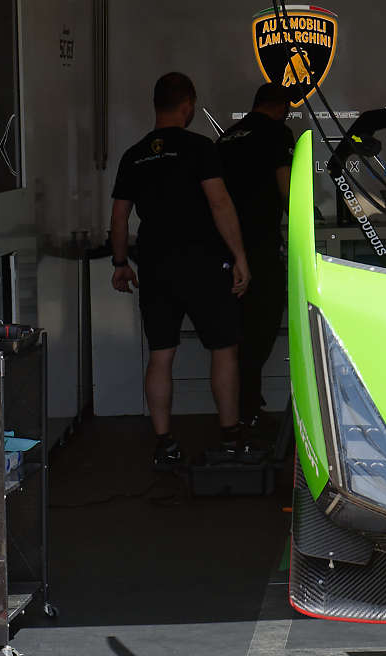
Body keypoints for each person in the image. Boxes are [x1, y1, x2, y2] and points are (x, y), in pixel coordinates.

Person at [110, 73, 252, 469]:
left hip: (155, 264)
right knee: (223, 349)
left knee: (160, 354)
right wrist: (240, 256)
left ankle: (164, 444)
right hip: (204, 262)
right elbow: (220, 204)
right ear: (188, 104)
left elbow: (119, 218)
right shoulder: (200, 147)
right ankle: (229, 438)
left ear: (156, 105)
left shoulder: (134, 155)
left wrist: (121, 263)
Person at [216, 83, 293, 433]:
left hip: (225, 247)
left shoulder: (227, 136)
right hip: (261, 246)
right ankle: (248, 407)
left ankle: (240, 411)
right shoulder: (277, 132)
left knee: (234, 332)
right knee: (262, 327)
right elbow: (287, 189)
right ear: (283, 108)